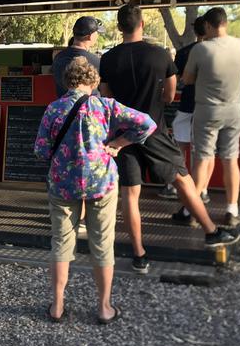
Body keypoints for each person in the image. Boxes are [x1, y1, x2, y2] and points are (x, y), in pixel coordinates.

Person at [99, 3, 240, 274]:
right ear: (141, 24)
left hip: (121, 135)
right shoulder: (160, 54)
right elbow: (169, 95)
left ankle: (139, 255)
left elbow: (107, 99)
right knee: (183, 180)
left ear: (119, 28)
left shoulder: (108, 59)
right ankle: (211, 232)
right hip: (154, 130)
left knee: (130, 195)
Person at [35, 57, 156, 324]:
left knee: (61, 244)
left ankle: (57, 306)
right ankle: (104, 307)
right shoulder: (106, 106)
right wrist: (118, 142)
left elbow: (41, 150)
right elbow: (147, 123)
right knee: (102, 245)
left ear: (67, 81)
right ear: (93, 80)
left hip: (63, 185)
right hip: (101, 183)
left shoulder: (53, 109)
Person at [177, 7, 240, 228]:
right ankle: (231, 208)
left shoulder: (201, 49)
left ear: (208, 26)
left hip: (207, 110)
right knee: (230, 159)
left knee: (203, 158)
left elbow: (187, 79)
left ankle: (192, 209)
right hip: (234, 109)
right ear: (225, 23)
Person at [162, 16, 211, 204]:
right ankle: (202, 190)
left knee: (178, 148)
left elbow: (179, 79)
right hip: (207, 108)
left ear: (195, 31)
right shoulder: (215, 52)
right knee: (203, 152)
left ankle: (174, 186)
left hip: (186, 106)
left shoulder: (183, 53)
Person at [51, 16, 103, 97]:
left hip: (62, 107)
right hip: (87, 108)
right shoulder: (95, 61)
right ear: (90, 36)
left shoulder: (58, 57)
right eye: (97, 33)